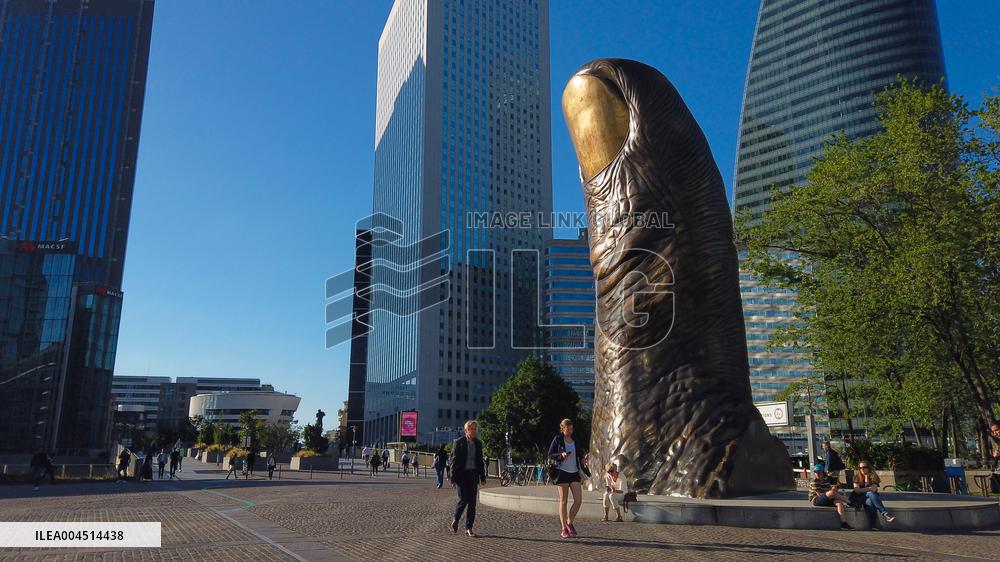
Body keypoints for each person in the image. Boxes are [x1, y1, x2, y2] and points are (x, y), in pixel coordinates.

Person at [548, 418, 590, 538]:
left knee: (578, 500)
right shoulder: (558, 439)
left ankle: (569, 523)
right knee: (564, 501)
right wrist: (561, 455)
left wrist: (583, 459)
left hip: (574, 472)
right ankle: (563, 528)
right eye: (568, 429)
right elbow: (550, 454)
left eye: (571, 429)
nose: (570, 431)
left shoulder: (575, 440)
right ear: (563, 428)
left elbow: (579, 454)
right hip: (562, 472)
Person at [449, 420, 487, 537]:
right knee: (463, 499)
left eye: (475, 429)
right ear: (466, 430)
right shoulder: (459, 442)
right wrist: (453, 478)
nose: (473, 431)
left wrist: (482, 477)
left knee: (472, 503)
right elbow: (453, 461)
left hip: (473, 475)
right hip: (461, 476)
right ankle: (456, 519)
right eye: (471, 429)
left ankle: (469, 528)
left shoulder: (478, 443)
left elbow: (480, 461)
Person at [808, 465, 851, 530]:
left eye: (819, 472)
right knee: (832, 493)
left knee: (839, 503)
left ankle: (844, 523)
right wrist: (832, 492)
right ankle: (849, 501)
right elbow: (820, 494)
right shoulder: (814, 481)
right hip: (816, 500)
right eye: (816, 472)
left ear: (823, 473)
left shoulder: (825, 481)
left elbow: (829, 491)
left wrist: (834, 489)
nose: (818, 474)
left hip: (825, 499)